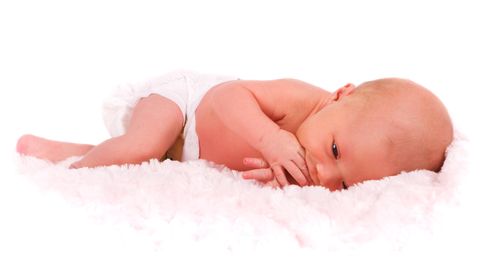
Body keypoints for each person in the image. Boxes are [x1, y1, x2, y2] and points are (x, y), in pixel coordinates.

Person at [16, 70, 453, 191]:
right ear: (341, 94)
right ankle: (66, 184)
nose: (323, 172)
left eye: (346, 182)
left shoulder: (315, 165)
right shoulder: (301, 100)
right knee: (143, 144)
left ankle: (61, 151)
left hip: (183, 150)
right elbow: (227, 96)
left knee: (143, 159)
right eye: (335, 149)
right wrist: (270, 139)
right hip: (183, 107)